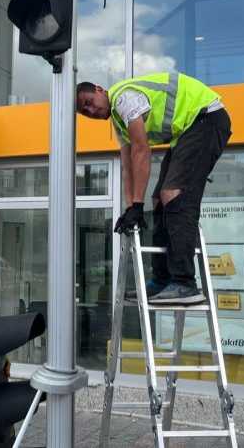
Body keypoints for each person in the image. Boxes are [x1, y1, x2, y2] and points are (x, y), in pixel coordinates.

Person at [77, 71, 232, 304]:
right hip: (188, 130)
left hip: (206, 119)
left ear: (99, 89)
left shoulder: (124, 99)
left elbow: (141, 150)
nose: (91, 111)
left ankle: (185, 283)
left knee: (174, 194)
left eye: (89, 102)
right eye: (85, 112)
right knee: (159, 199)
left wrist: (137, 205)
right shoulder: (118, 122)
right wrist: (131, 207)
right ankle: (162, 280)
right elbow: (128, 165)